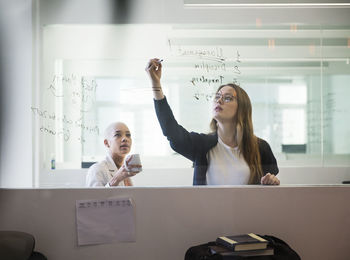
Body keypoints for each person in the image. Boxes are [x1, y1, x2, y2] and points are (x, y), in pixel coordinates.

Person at [146, 58, 280, 185]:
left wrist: (272, 182)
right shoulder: (201, 145)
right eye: (217, 96)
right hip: (206, 210)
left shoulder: (261, 148)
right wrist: (156, 84)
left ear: (242, 108)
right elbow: (171, 131)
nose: (219, 100)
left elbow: (267, 191)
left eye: (227, 98)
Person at [86, 122, 141, 187]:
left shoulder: (127, 172)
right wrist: (116, 179)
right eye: (117, 135)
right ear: (106, 143)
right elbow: (93, 196)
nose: (125, 139)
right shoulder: (96, 170)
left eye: (128, 135)